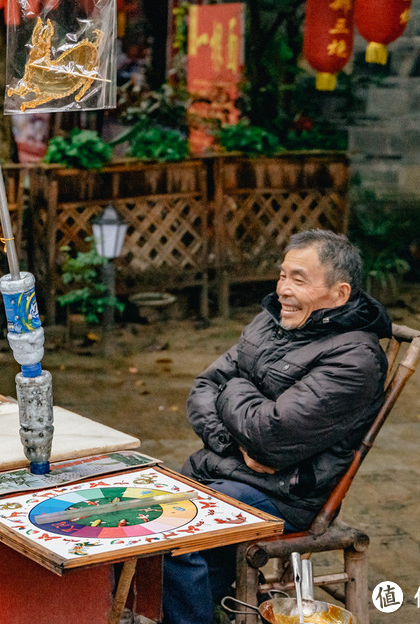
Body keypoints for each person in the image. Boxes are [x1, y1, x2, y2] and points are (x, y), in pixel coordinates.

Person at [163, 229, 392, 624]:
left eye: (299, 279)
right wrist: (234, 444)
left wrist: (234, 386)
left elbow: (268, 439)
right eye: (283, 275)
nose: (283, 289)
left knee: (173, 539)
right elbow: (202, 387)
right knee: (132, 521)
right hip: (227, 469)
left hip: (285, 494)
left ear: (339, 294)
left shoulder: (355, 359)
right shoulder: (271, 322)